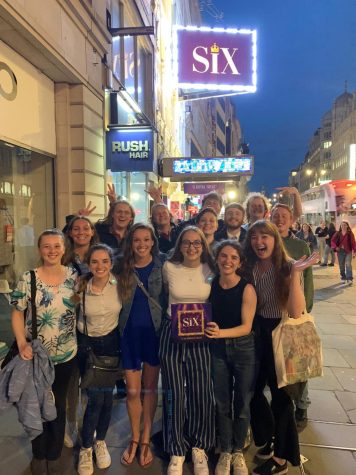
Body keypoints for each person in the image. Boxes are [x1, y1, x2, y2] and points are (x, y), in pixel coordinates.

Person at [244, 221, 318, 475]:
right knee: (252, 391)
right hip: (257, 332)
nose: (258, 241)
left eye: (264, 236)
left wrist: (295, 274)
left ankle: (281, 458)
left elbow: (296, 310)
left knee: (281, 397)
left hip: (281, 332)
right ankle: (267, 438)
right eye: (253, 236)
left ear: (275, 239)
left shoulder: (286, 266)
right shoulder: (250, 265)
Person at [11, 229, 77, 475]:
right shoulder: (29, 278)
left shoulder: (74, 276)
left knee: (58, 404)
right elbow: (18, 311)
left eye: (56, 246)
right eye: (47, 246)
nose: (52, 251)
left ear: (64, 249)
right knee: (35, 404)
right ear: (40, 249)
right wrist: (21, 343)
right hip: (36, 355)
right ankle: (39, 453)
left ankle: (55, 452)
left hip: (66, 354)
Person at [160, 226, 215, 475]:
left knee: (200, 391)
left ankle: (200, 446)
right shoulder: (169, 268)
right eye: (187, 243)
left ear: (203, 246)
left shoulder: (210, 270)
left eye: (197, 243)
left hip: (201, 338)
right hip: (172, 334)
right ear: (179, 245)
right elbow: (162, 296)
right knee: (173, 393)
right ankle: (176, 449)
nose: (192, 247)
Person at [206, 240, 257, 475]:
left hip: (243, 348)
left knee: (243, 403)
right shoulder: (211, 284)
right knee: (222, 401)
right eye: (224, 256)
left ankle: (238, 450)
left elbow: (246, 326)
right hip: (217, 349)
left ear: (240, 262)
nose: (228, 261)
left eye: (233, 258)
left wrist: (219, 333)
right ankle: (225, 450)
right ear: (217, 259)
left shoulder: (246, 288)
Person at [117, 223, 164, 468]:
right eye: (137, 240)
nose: (142, 244)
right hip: (129, 335)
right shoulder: (121, 266)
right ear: (130, 242)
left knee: (149, 389)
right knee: (133, 392)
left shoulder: (163, 265)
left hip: (154, 335)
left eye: (146, 240)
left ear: (153, 242)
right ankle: (134, 438)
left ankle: (145, 438)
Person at [76, 244, 122, 475]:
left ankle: (100, 441)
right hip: (88, 345)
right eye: (95, 261)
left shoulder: (120, 285)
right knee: (94, 400)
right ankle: (86, 447)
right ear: (88, 263)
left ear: (111, 263)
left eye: (105, 261)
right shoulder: (81, 285)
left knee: (106, 398)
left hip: (112, 343)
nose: (100, 266)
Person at [271, 204, 314, 428]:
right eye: (276, 216)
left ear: (291, 219)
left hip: (295, 311)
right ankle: (281, 404)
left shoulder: (299, 245)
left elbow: (307, 280)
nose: (280, 220)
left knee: (299, 360)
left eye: (284, 217)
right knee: (278, 362)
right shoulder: (267, 242)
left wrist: (305, 309)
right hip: (272, 311)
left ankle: (302, 406)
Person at [62, 216, 99, 448]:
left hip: (95, 326)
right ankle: (69, 424)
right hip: (68, 324)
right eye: (76, 229)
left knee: (91, 381)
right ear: (70, 233)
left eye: (86, 228)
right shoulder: (64, 258)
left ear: (93, 231)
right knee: (70, 381)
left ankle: (88, 426)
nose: (81, 232)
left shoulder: (101, 255)